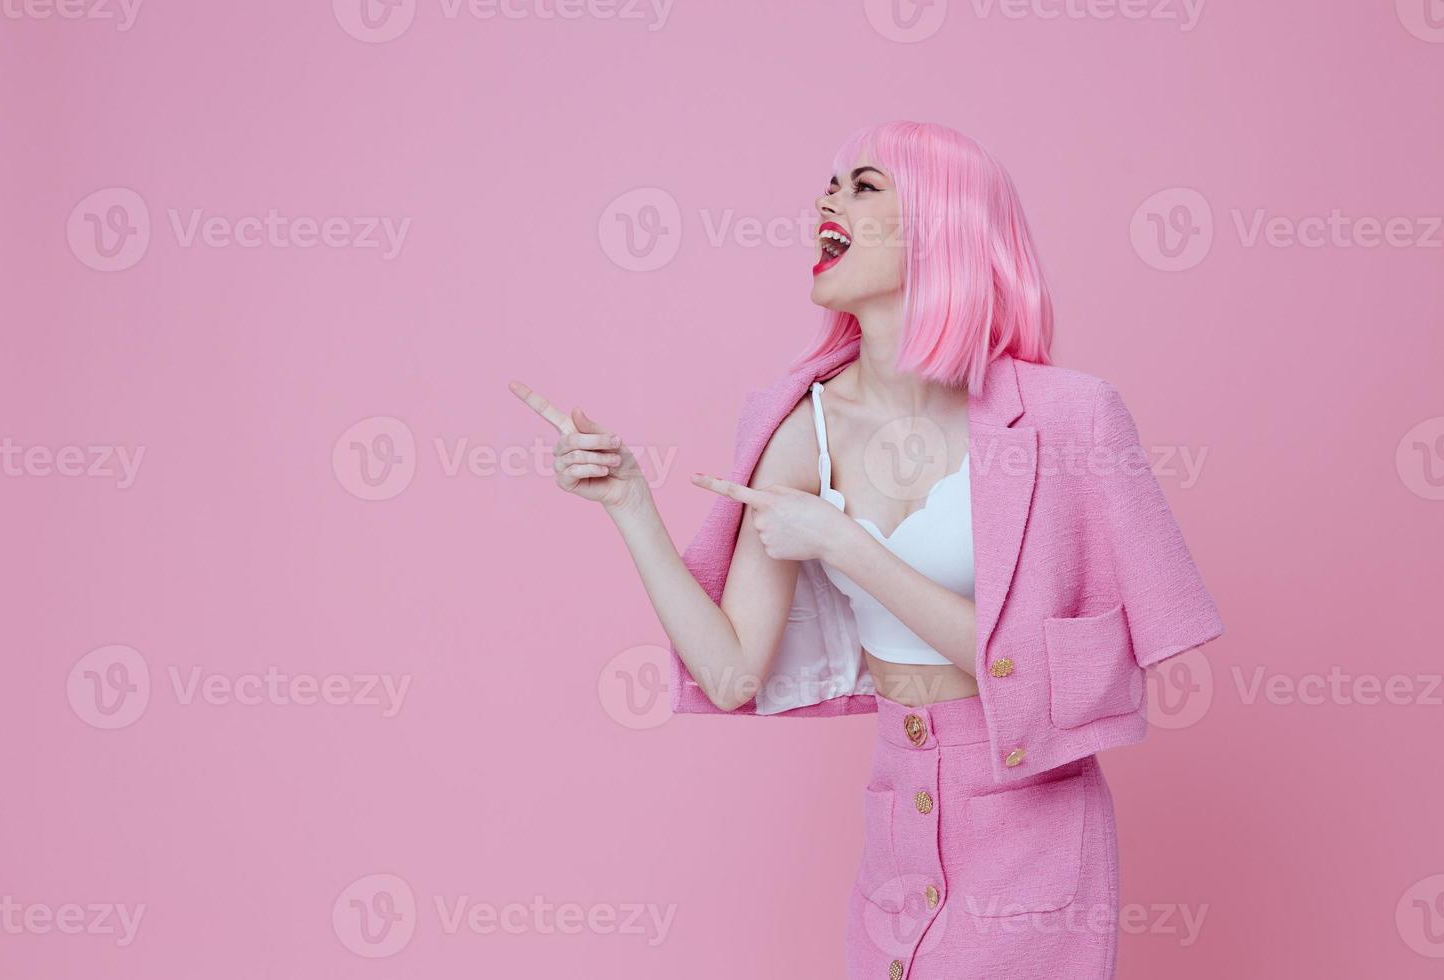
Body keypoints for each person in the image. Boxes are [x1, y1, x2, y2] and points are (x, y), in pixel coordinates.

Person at [512, 119, 1222, 978]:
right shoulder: (798, 427)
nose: (826, 199)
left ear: (943, 227)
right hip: (898, 821)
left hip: (1032, 825)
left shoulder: (1070, 419)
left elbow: (1041, 680)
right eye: (828, 184)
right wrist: (628, 505)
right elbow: (733, 673)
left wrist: (847, 545)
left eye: (864, 184)